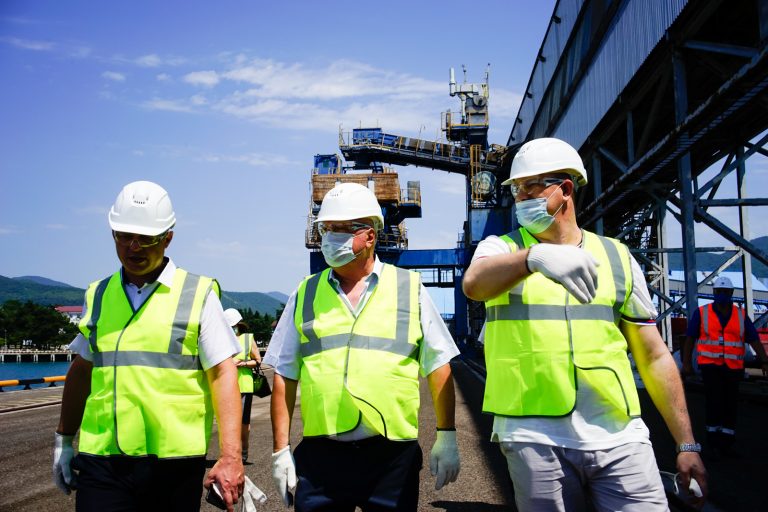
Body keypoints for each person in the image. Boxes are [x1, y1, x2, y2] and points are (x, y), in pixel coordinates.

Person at [462, 138, 708, 511]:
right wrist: (533, 258)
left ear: (565, 190)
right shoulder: (502, 249)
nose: (520, 198)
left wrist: (686, 443)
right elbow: (474, 284)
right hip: (534, 435)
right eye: (516, 190)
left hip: (620, 436)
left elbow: (654, 356)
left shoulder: (617, 257)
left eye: (530, 187)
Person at [265, 182, 461, 511]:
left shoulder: (408, 288)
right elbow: (285, 374)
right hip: (321, 457)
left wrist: (447, 435)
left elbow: (438, 365)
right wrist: (280, 450)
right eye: (326, 229)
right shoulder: (305, 293)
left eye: (340, 229)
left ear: (369, 236)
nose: (329, 238)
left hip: (392, 458)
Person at [52, 181, 245, 512]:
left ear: (168, 237)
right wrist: (64, 440)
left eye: (146, 238)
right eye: (124, 236)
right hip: (103, 460)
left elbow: (222, 374)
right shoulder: (98, 295)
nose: (134, 247)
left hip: (173, 462)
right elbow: (82, 370)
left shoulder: (197, 294)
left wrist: (231, 456)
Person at [683, 276, 768, 457]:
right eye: (719, 291)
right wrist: (687, 363)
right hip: (711, 366)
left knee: (730, 405)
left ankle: (727, 442)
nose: (722, 295)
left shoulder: (740, 315)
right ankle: (714, 442)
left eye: (725, 292)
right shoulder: (702, 313)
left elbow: (754, 339)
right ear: (714, 293)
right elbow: (690, 339)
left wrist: (764, 360)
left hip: (732, 367)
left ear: (731, 293)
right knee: (714, 403)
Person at [224, 308, 263, 464]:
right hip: (226, 385)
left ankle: (244, 452)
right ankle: (229, 453)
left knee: (243, 422)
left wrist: (243, 364)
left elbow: (258, 360)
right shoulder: (223, 338)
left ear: (238, 324)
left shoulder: (247, 339)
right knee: (227, 421)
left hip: (244, 385)